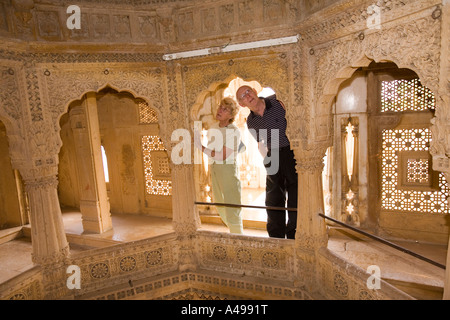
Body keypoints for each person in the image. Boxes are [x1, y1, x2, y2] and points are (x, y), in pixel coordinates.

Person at [236, 85, 298, 239]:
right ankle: (276, 237)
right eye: (243, 96)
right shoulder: (251, 121)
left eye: (248, 91)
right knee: (273, 197)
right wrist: (267, 160)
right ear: (242, 104)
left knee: (296, 195)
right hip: (272, 155)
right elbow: (261, 143)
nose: (248, 95)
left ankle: (294, 234)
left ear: (255, 91)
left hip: (291, 151)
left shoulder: (277, 102)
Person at [194, 97, 245, 234]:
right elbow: (213, 153)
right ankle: (234, 233)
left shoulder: (234, 131)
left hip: (228, 170)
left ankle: (238, 237)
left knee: (232, 205)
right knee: (219, 203)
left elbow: (222, 155)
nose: (220, 111)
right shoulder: (214, 127)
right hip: (215, 169)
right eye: (220, 107)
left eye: (225, 109)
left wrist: (200, 146)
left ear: (231, 115)